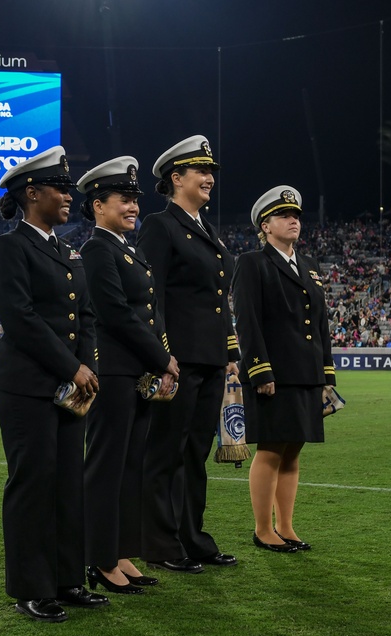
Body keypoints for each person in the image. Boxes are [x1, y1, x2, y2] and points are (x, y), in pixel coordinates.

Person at [0, 146, 107, 623]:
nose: (68, 196)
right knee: (33, 484)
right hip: (25, 385)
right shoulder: (10, 247)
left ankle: (66, 580)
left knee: (67, 485)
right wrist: (72, 368)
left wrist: (87, 368)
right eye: (60, 188)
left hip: (67, 386)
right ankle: (31, 588)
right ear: (30, 193)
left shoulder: (66, 250)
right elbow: (20, 319)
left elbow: (87, 317)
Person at [136, 135, 240, 574]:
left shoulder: (204, 228)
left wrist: (230, 351)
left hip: (210, 358)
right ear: (176, 178)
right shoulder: (161, 226)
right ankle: (160, 544)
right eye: (202, 171)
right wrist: (162, 355)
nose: (210, 178)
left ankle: (193, 538)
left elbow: (219, 299)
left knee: (194, 452)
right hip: (178, 359)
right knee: (166, 452)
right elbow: (149, 295)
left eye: (211, 171)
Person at [77, 156, 180, 594]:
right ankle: (99, 561)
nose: (134, 206)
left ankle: (120, 553)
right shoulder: (98, 249)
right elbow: (116, 315)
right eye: (124, 199)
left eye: (136, 199)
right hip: (115, 373)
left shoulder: (125, 249)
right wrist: (163, 358)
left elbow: (149, 314)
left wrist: (161, 358)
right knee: (106, 468)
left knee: (129, 467)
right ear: (98, 205)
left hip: (136, 373)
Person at [231, 186, 336, 553]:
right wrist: (260, 371)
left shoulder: (309, 266)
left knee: (293, 451)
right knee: (272, 449)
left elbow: (320, 324)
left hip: (307, 373)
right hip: (274, 374)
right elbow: (247, 321)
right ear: (265, 225)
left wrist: (328, 377)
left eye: (296, 216)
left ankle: (286, 527)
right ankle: (263, 530)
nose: (294, 220)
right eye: (284, 216)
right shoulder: (252, 263)